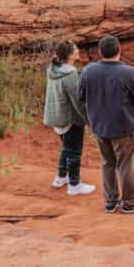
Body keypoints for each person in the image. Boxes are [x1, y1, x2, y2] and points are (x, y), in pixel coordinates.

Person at [78, 35, 134, 214]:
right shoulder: (129, 73)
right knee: (125, 164)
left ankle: (111, 202)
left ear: (100, 52)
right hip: (123, 127)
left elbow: (80, 97)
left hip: (99, 126)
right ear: (119, 50)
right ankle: (130, 203)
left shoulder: (88, 71)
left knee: (108, 163)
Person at [42, 41, 94, 196]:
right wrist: (88, 119)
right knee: (74, 152)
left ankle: (61, 177)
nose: (78, 50)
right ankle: (74, 185)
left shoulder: (53, 69)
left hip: (55, 116)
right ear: (70, 55)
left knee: (67, 148)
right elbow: (77, 101)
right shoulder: (70, 74)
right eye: (76, 48)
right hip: (69, 119)